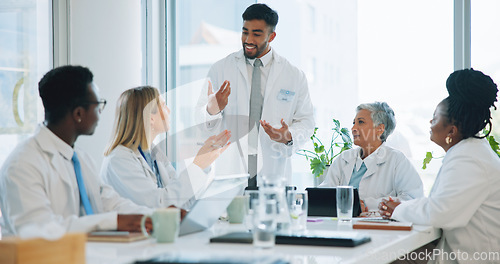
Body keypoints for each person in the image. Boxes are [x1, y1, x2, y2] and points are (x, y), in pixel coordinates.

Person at [0, 65, 153, 237]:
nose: (100, 113)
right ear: (78, 113)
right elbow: (39, 231)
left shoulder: (80, 159)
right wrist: (112, 221)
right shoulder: (22, 164)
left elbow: (110, 202)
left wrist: (159, 216)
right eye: (98, 105)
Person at [380, 69, 500, 262]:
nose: (430, 122)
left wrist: (397, 209)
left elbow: (440, 212)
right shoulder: (471, 152)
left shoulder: (469, 159)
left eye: (435, 118)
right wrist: (403, 205)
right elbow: (442, 203)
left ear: (451, 130)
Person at [197, 3, 315, 186]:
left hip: (273, 170)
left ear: (272, 36)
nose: (248, 39)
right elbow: (202, 126)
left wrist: (289, 135)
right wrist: (212, 109)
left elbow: (306, 122)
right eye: (245, 32)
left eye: (256, 34)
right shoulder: (221, 69)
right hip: (232, 170)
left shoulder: (293, 76)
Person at [101, 86, 231, 209]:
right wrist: (198, 165)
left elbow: (182, 202)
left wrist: (204, 162)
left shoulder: (155, 154)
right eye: (163, 105)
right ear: (150, 118)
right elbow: (159, 204)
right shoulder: (119, 160)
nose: (169, 110)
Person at [320, 102, 423, 211]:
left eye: (360, 122)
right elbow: (324, 194)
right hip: (344, 225)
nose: (353, 128)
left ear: (380, 129)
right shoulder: (344, 158)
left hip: (378, 226)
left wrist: (368, 205)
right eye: (354, 123)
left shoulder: (397, 160)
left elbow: (412, 199)